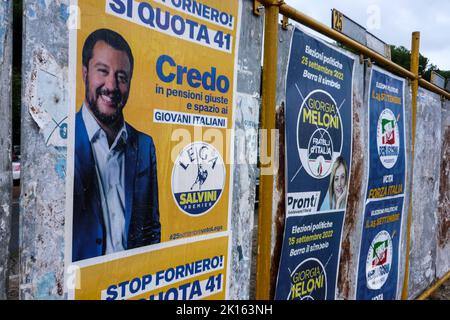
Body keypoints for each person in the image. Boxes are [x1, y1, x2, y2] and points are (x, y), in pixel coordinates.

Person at [73, 28, 160, 262]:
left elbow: (151, 227)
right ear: (84, 73)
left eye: (121, 77)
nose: (111, 86)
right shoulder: (63, 139)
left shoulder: (144, 145)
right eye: (102, 71)